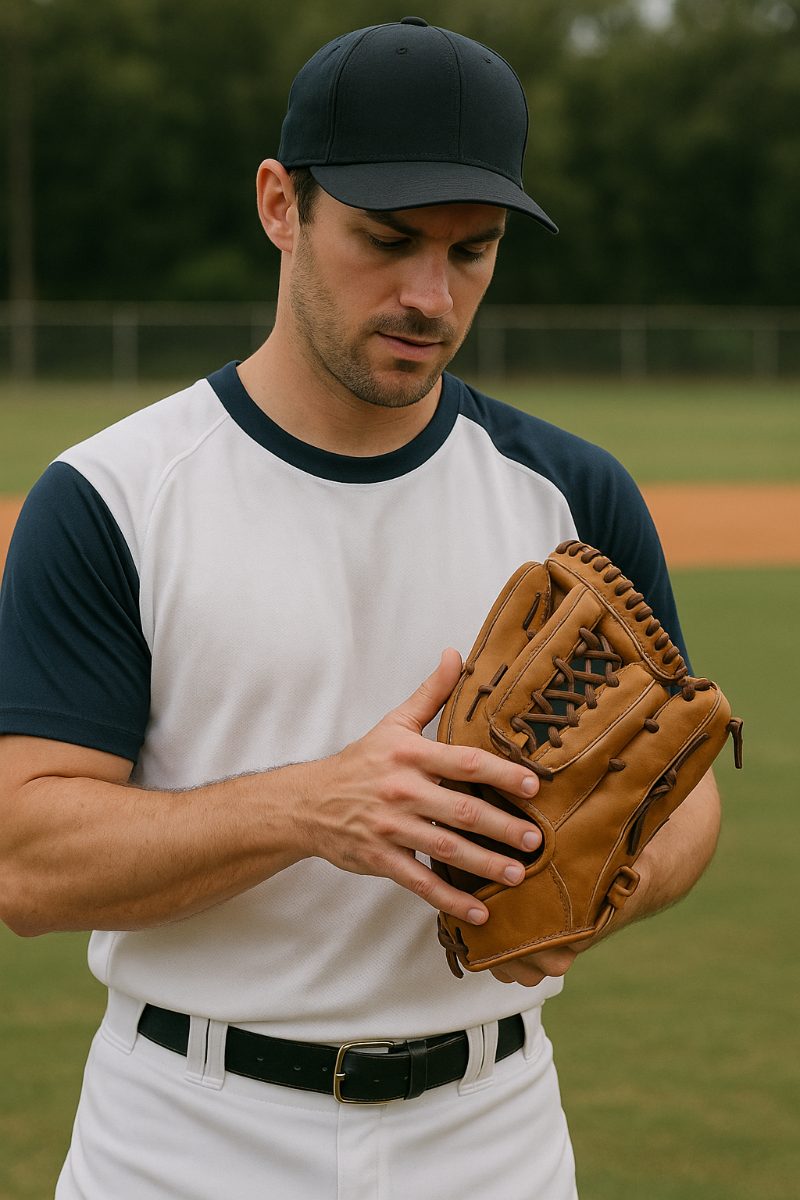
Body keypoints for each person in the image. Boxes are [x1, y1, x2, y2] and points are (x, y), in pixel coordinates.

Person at [0, 18, 720, 1199]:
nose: (430, 295)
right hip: (186, 1137)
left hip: (492, 1133)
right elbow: (26, 862)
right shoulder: (114, 497)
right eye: (385, 240)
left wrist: (592, 885)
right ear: (280, 205)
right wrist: (314, 808)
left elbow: (679, 804)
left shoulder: (572, 498)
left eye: (473, 252)